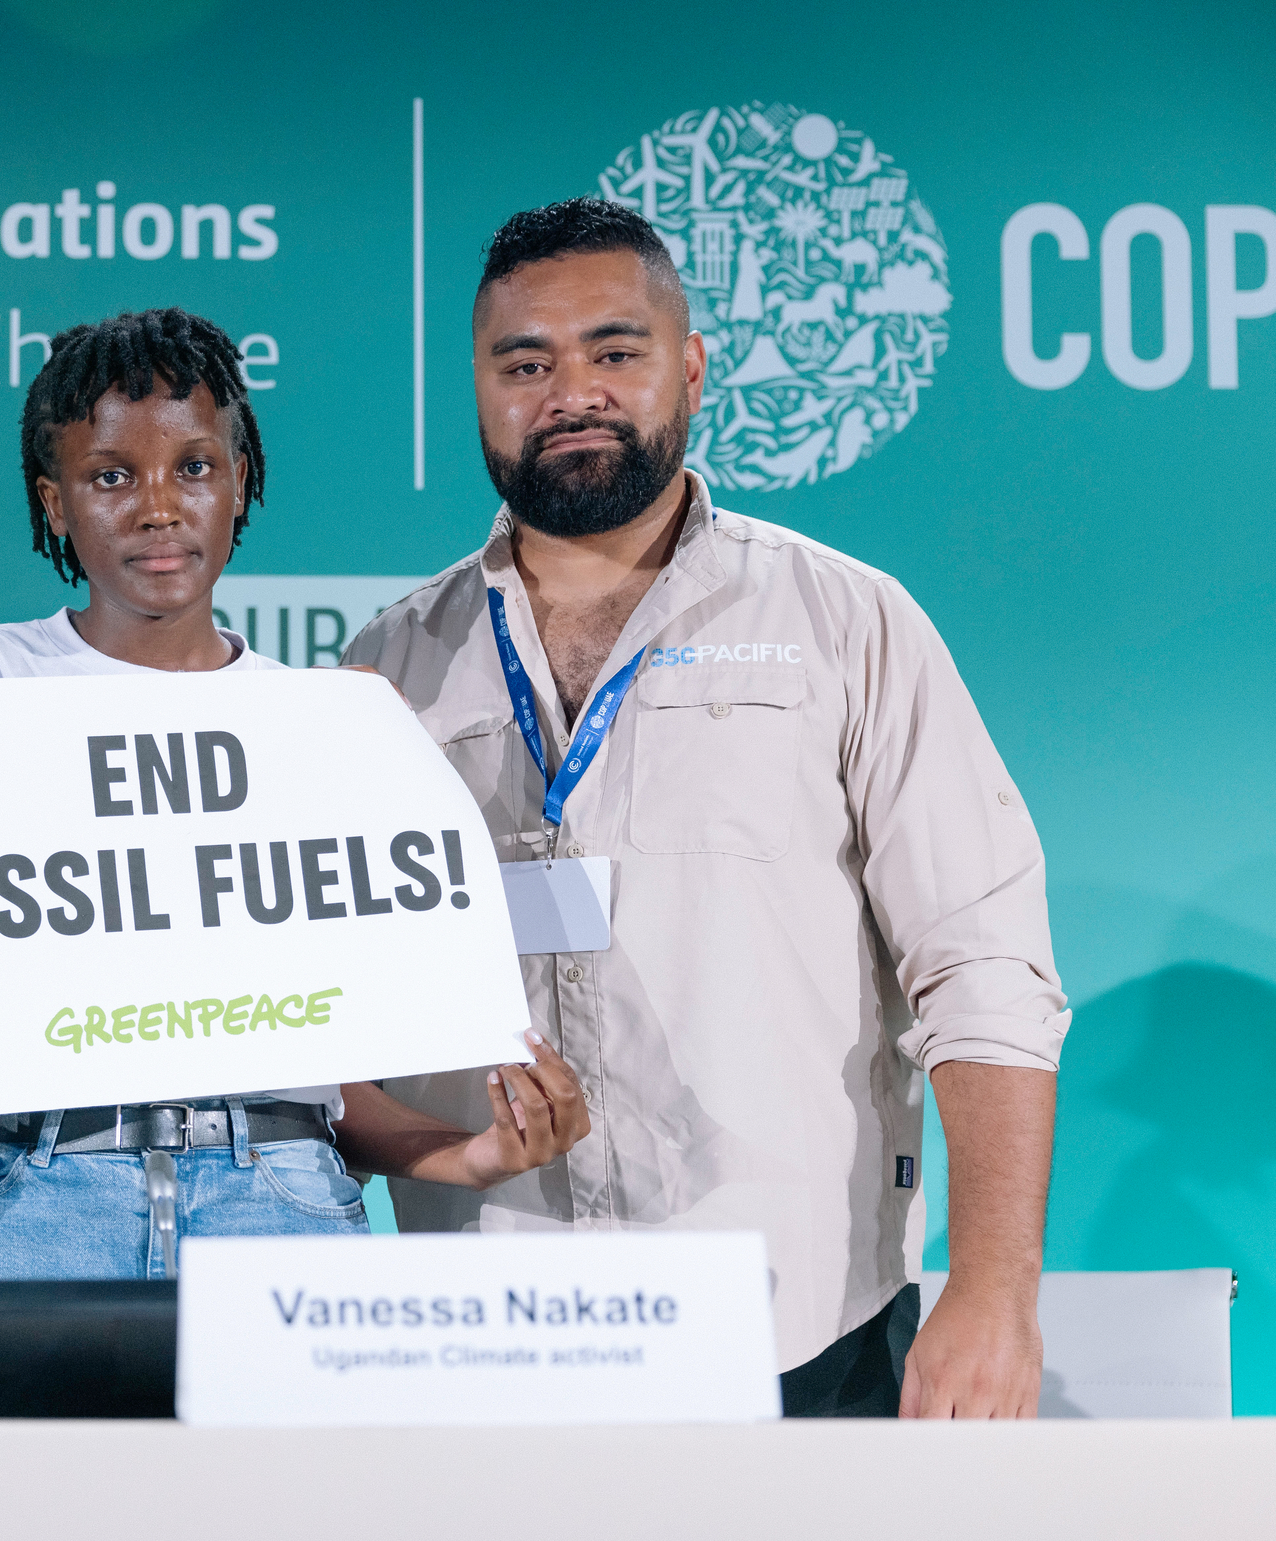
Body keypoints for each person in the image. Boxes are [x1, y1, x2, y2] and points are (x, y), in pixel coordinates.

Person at [346, 198, 1066, 1417]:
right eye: (526, 363)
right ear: (475, 388)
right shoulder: (382, 674)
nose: (569, 391)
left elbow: (983, 964)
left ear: (688, 369)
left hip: (799, 1327)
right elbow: (329, 1024)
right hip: (485, 1338)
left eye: (613, 353)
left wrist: (993, 1288)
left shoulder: (846, 623)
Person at [0, 309, 590, 1279]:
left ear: (240, 480)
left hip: (281, 1197)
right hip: (31, 1198)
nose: (156, 506)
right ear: (54, 504)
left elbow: (325, 1067)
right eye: (109, 475)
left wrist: (468, 1153)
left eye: (193, 466)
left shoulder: (319, 722)